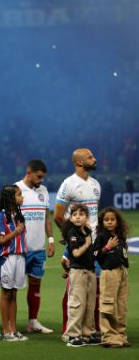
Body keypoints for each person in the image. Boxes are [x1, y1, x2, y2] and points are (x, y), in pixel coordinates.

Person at [54, 149, 101, 333]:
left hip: (95, 243)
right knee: (74, 289)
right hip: (78, 244)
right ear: (80, 161)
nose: (94, 159)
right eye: (90, 157)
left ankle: (92, 329)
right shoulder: (68, 184)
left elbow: (95, 216)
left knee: (95, 288)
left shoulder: (96, 184)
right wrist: (71, 237)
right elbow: (58, 215)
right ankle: (70, 329)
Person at [15, 159, 55, 334]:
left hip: (38, 249)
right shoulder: (15, 189)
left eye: (43, 177)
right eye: (39, 176)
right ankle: (11, 325)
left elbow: (46, 217)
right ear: (29, 172)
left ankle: (33, 322)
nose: (41, 180)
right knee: (12, 288)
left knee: (35, 285)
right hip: (19, 249)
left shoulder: (44, 191)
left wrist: (51, 239)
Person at [62, 204, 99, 347]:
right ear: (71, 218)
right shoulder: (72, 233)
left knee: (90, 304)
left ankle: (87, 334)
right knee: (77, 304)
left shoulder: (87, 231)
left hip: (90, 271)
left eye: (81, 214)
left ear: (87, 217)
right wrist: (86, 244)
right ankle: (73, 335)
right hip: (78, 272)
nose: (77, 217)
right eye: (75, 214)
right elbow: (76, 253)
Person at [94, 207, 130, 348]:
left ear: (117, 221)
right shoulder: (102, 237)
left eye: (112, 219)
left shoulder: (120, 237)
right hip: (109, 273)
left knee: (121, 305)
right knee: (108, 305)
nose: (109, 222)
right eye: (106, 220)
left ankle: (120, 335)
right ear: (102, 222)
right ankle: (109, 336)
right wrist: (107, 247)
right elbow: (95, 254)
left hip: (122, 272)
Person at [0, 185, 28, 342]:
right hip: (7, 258)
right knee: (6, 293)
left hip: (20, 257)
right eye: (19, 194)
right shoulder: (1, 216)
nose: (22, 197)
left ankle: (14, 330)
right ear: (10, 197)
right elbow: (1, 240)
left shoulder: (19, 216)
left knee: (14, 294)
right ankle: (6, 330)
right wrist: (16, 232)